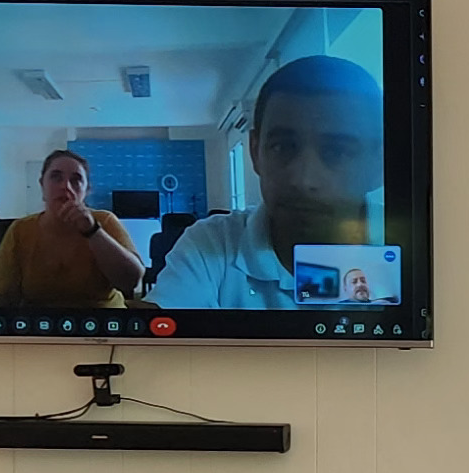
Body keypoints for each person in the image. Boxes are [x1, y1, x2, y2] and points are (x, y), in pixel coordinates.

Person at [148, 56, 384, 310]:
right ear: (254, 151)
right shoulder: (212, 244)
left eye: (337, 152)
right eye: (282, 147)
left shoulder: (420, 241)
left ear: (379, 165)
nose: (303, 180)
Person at [0, 148, 142, 309]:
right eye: (56, 177)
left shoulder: (105, 220)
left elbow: (130, 281)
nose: (65, 186)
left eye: (76, 180)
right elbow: (2, 297)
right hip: (43, 325)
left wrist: (93, 231)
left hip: (103, 322)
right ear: (42, 185)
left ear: (86, 190)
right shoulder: (20, 230)